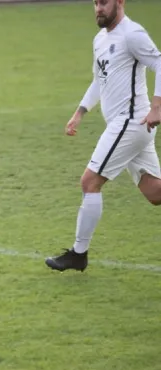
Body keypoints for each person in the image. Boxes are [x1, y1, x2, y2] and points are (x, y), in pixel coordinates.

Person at [45, 0, 161, 272]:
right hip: (125, 126)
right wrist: (80, 112)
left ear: (120, 2)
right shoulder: (100, 39)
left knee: (89, 182)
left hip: (131, 122)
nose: (98, 8)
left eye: (104, 2)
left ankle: (78, 254)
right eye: (95, 2)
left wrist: (157, 106)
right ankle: (78, 254)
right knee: (155, 192)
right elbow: (100, 80)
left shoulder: (132, 34)